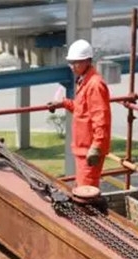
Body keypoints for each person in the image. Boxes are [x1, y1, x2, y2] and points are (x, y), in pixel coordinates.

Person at [47, 39, 111, 187]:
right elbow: (81, 108)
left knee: (86, 190)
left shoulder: (94, 85)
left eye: (76, 62)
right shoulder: (84, 81)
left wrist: (96, 147)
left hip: (89, 149)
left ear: (88, 61)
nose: (72, 67)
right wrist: (63, 103)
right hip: (84, 148)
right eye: (71, 62)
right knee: (83, 187)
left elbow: (101, 118)